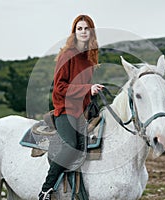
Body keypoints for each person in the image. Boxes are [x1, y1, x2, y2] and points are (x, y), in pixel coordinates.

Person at [38, 15, 104, 200]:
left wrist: (92, 95)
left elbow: (84, 89)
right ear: (74, 32)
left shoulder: (89, 58)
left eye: (86, 28)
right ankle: (46, 189)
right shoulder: (68, 55)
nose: (83, 32)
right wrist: (86, 89)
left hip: (82, 112)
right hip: (65, 110)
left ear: (92, 32)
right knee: (71, 146)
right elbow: (59, 88)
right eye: (79, 28)